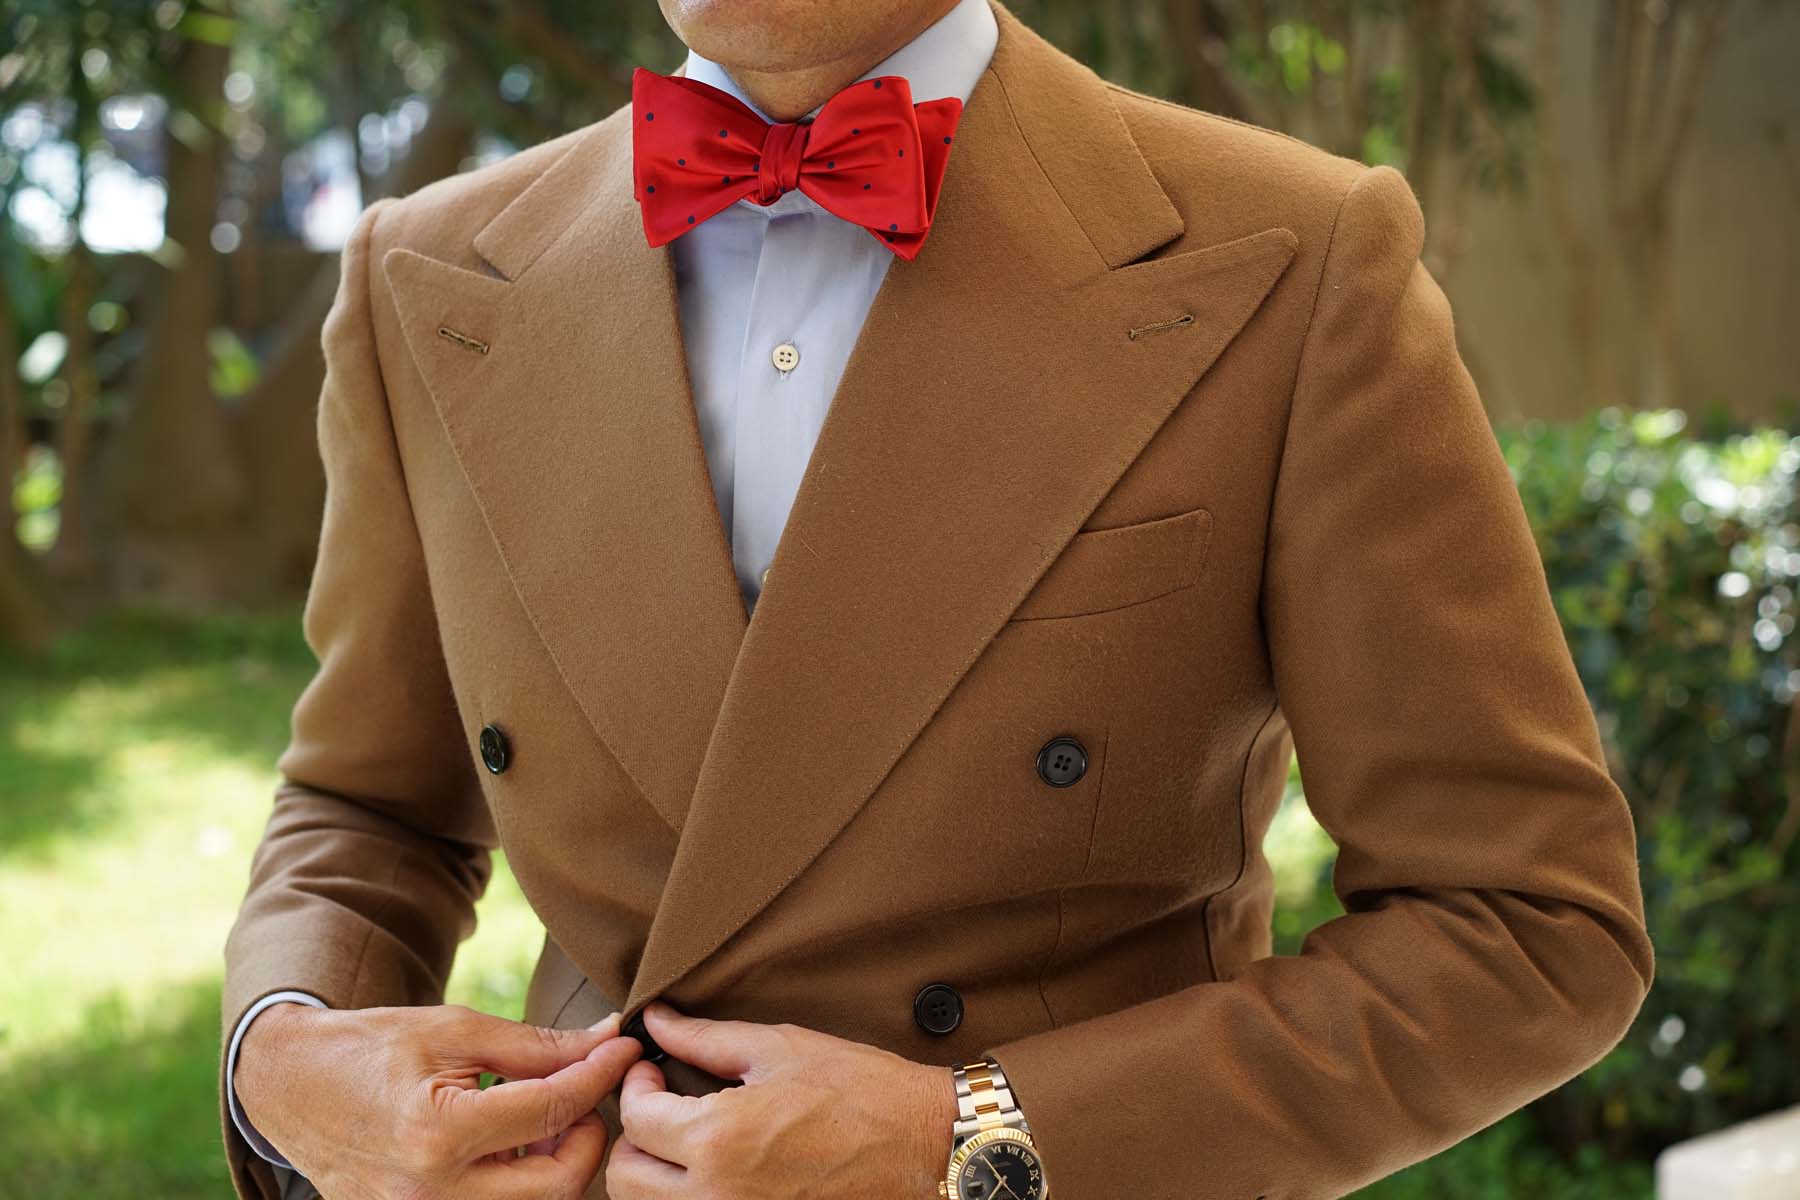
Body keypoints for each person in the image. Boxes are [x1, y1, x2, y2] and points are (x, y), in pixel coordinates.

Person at [220, 0, 1657, 1197]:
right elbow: (370, 810)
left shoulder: (1297, 256)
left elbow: (1530, 923)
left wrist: (969, 1139)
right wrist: (283, 1054)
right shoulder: (425, 274)